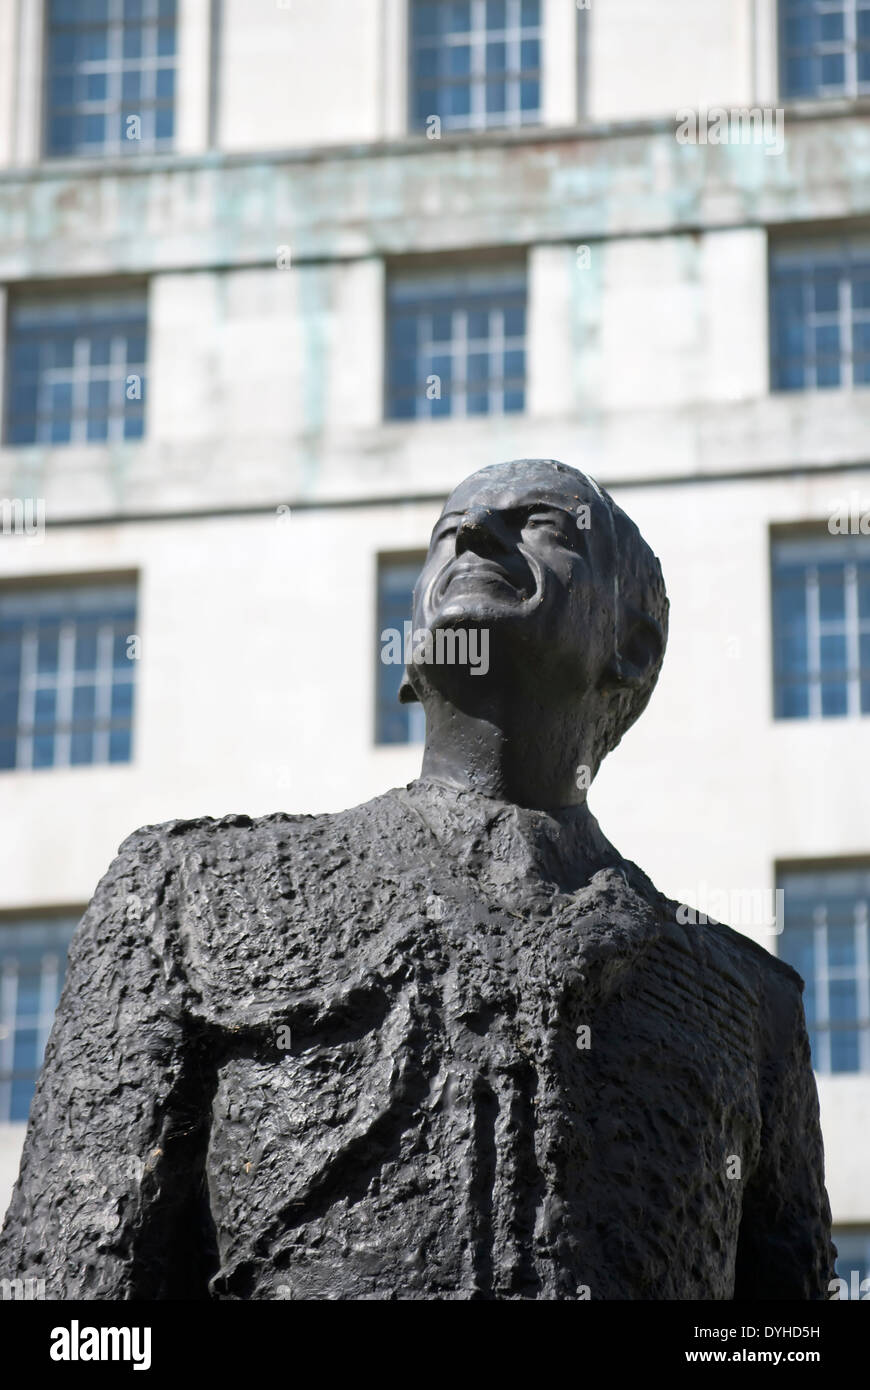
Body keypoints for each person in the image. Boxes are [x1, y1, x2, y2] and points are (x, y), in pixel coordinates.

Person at [0, 458, 835, 1300]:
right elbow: (71, 1296)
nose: (473, 535)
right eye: (448, 533)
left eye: (541, 524)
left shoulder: (742, 1005)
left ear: (634, 645)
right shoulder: (190, 895)